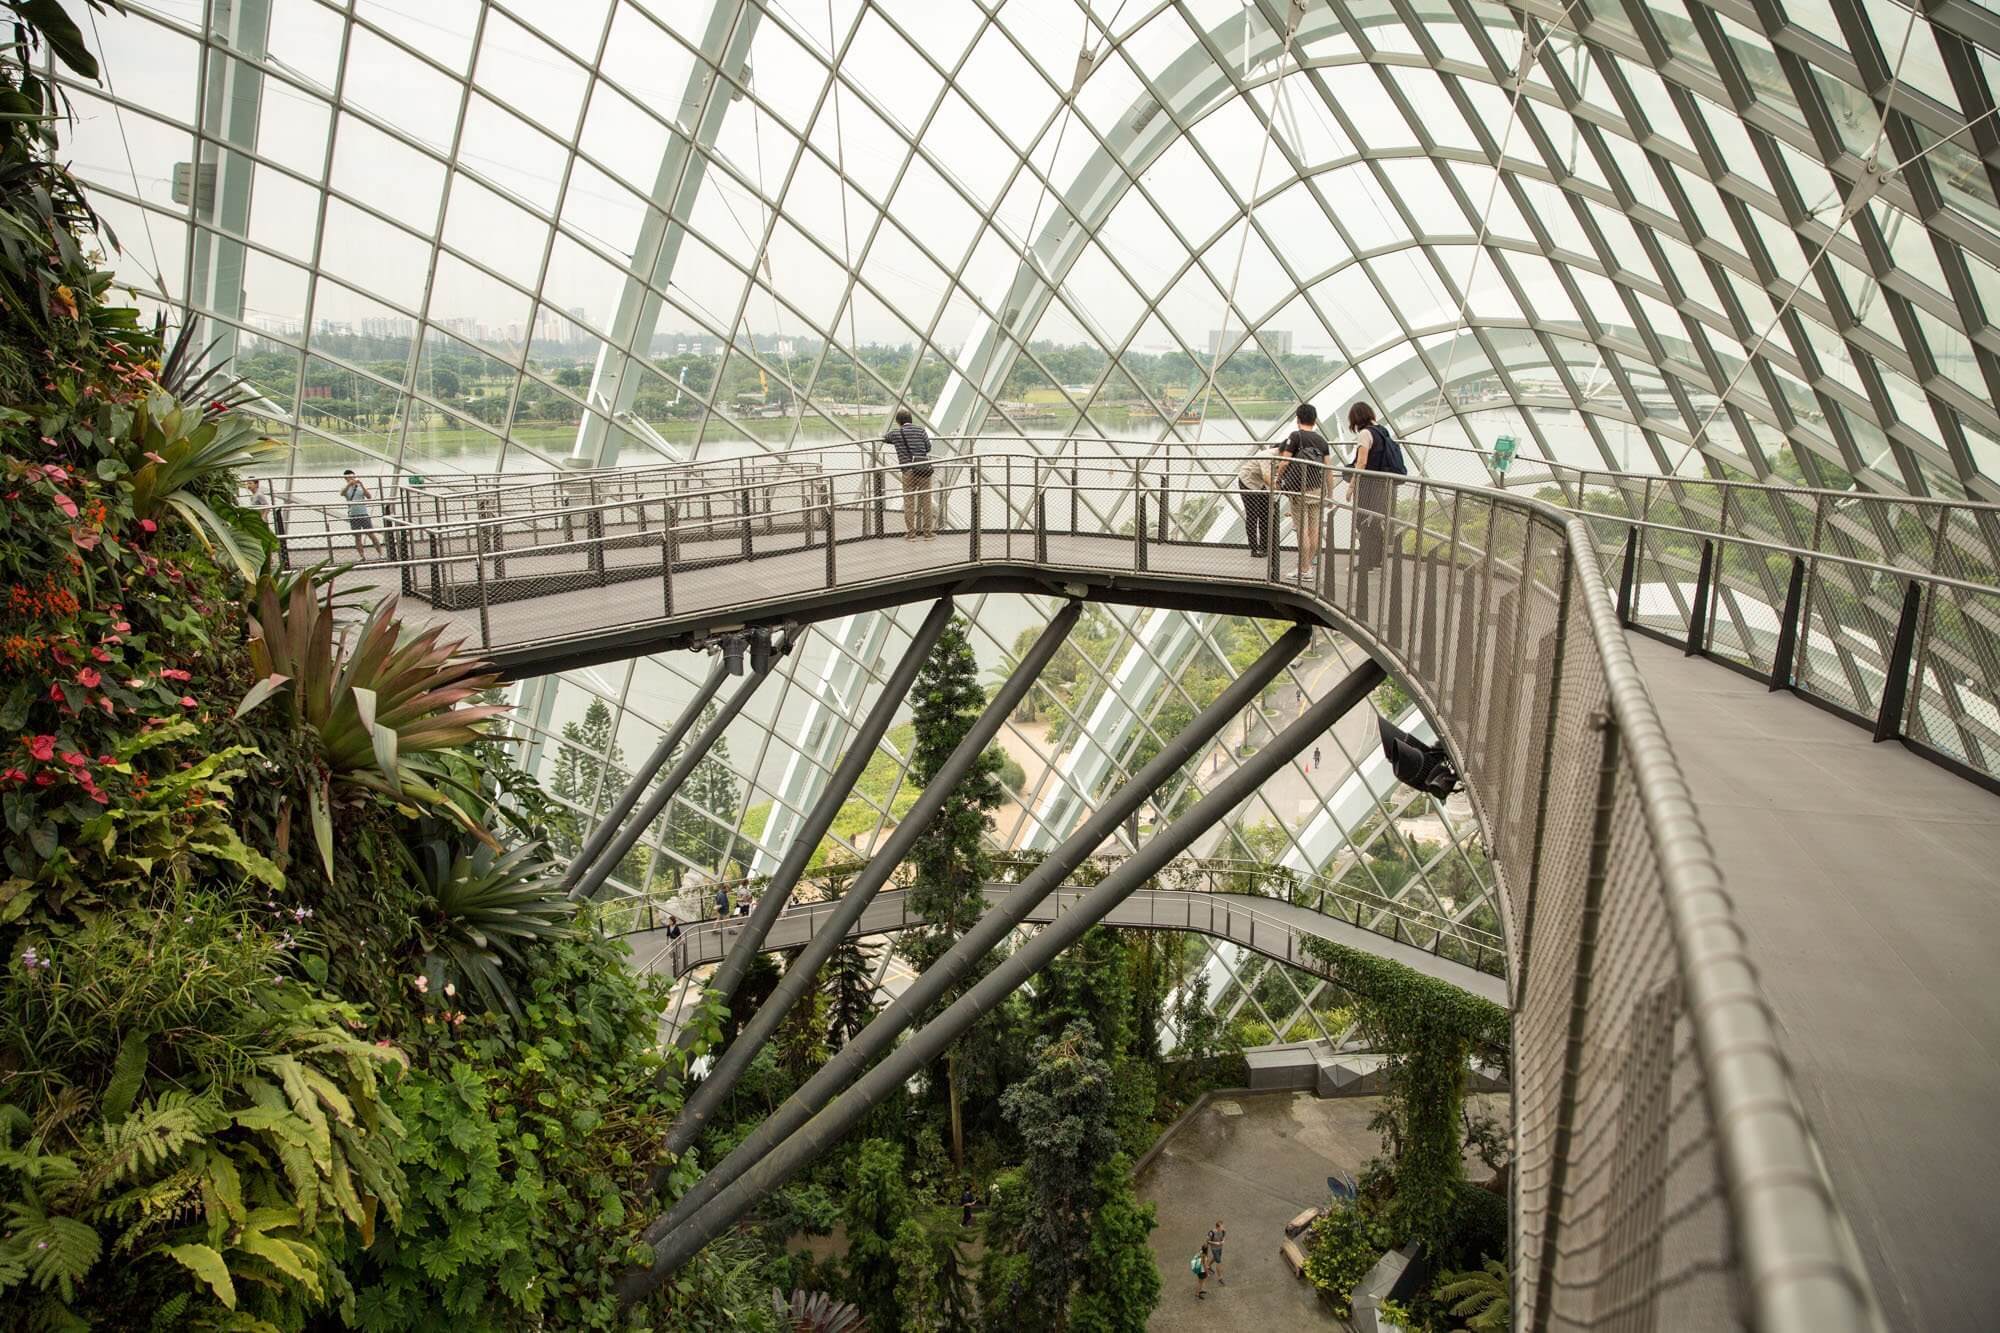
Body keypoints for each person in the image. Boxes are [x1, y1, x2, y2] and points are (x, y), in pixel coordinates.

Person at [1347, 401, 1405, 579]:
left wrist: (1351, 485)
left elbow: (1362, 462)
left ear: (1356, 418)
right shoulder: (1382, 430)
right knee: (1375, 521)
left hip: (1368, 485)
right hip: (1384, 484)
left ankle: (1365, 563)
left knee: (1363, 521)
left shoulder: (1365, 434)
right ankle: (1377, 559)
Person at [1274, 403, 1331, 578]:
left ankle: (1304, 569)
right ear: (1314, 420)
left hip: (1299, 491)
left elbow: (1284, 462)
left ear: (1298, 419)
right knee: (1314, 530)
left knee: (1302, 530)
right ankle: (1308, 568)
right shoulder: (1322, 441)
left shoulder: (1295, 436)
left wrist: (1278, 478)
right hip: (1317, 489)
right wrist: (1330, 494)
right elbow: (1328, 469)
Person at [883, 407, 935, 540]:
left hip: (908, 471)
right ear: (911, 419)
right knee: (926, 501)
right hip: (923, 470)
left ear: (898, 422)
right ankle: (928, 533)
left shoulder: (896, 433)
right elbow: (928, 448)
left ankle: (911, 533)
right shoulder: (921, 430)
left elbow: (885, 438)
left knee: (909, 502)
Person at [1236, 441, 1280, 556]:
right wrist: (1277, 489)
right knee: (1253, 515)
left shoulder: (1281, 458)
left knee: (1265, 515)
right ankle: (1254, 549)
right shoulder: (1267, 456)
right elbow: (1266, 477)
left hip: (1261, 484)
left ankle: (1265, 546)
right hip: (1248, 482)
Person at [340, 470, 385, 559]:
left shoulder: (360, 487)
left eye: (352, 476)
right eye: (349, 477)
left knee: (371, 535)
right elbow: (342, 493)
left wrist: (361, 485)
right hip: (353, 515)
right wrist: (349, 484)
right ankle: (362, 556)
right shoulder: (345, 488)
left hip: (363, 514)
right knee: (358, 537)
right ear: (345, 478)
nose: (351, 478)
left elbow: (369, 496)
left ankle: (380, 554)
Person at [1206, 1220, 1227, 1286]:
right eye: (1221, 1227)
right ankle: (1220, 1278)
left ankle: (1208, 1266)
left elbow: (1223, 1237)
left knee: (1215, 1258)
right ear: (1217, 1227)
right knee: (1218, 1262)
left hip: (1220, 1248)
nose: (1223, 1228)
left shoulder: (1223, 1231)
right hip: (1214, 1249)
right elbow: (1208, 1241)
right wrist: (1216, 1243)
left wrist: (1223, 1241)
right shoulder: (1211, 1233)